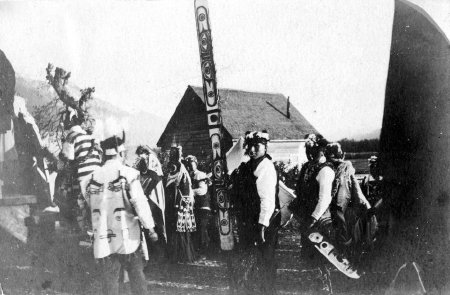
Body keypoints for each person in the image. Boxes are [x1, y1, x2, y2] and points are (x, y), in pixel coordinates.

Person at [81, 128, 157, 295]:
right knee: (137, 278)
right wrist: (150, 228)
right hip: (128, 237)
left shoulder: (90, 179)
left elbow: (89, 202)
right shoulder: (128, 174)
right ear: (120, 152)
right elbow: (139, 203)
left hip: (104, 237)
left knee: (110, 283)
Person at [229, 130, 280, 295]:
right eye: (249, 146)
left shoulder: (265, 166)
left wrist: (262, 226)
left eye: (256, 146)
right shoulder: (247, 165)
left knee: (265, 259)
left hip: (262, 221)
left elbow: (268, 200)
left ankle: (267, 291)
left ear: (265, 147)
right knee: (249, 257)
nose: (251, 150)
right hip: (248, 220)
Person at [288, 134, 335, 295]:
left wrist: (313, 218)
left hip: (320, 220)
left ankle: (324, 289)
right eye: (307, 150)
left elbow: (324, 199)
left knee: (321, 258)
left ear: (321, 151)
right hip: (307, 219)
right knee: (308, 258)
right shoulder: (307, 167)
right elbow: (300, 193)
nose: (309, 154)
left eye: (312, 150)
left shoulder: (325, 170)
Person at [325, 142, 376, 262]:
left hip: (343, 205)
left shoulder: (344, 168)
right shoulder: (335, 167)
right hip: (344, 204)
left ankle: (346, 248)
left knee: (342, 220)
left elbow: (343, 197)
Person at [134, 145, 167, 265]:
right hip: (146, 203)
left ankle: (160, 255)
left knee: (155, 226)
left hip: (154, 203)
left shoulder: (153, 175)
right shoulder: (139, 175)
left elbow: (151, 189)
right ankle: (152, 255)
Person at [164, 146, 197, 263]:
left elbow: (181, 186)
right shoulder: (178, 167)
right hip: (179, 202)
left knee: (178, 229)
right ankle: (179, 255)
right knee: (179, 229)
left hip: (179, 203)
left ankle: (179, 255)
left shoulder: (179, 167)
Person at [185, 155, 212, 255]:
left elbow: (202, 190)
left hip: (203, 205)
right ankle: (199, 249)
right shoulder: (189, 176)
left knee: (202, 227)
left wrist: (190, 191)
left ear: (196, 164)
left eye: (192, 164)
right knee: (197, 228)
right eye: (188, 164)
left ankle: (204, 250)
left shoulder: (200, 175)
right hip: (196, 206)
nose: (190, 166)